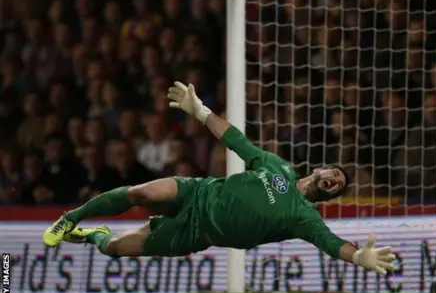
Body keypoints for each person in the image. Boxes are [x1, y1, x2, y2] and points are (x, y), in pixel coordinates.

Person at [42, 82, 396, 275]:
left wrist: (358, 258)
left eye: (340, 183)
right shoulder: (279, 167)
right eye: (334, 170)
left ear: (329, 195)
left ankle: (93, 236)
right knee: (140, 192)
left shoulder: (306, 218)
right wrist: (201, 111)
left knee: (117, 248)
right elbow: (237, 141)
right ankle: (71, 218)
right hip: (198, 194)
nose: (335, 177)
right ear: (318, 169)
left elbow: (332, 244)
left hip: (197, 233)